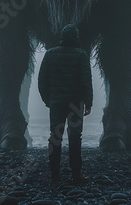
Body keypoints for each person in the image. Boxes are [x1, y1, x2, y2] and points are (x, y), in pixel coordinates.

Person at [38, 24, 93, 183]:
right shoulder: (81, 55)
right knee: (75, 138)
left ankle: (54, 175)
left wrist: (47, 99)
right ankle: (76, 175)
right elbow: (86, 81)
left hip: (56, 102)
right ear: (76, 38)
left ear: (62, 37)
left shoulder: (50, 54)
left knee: (55, 137)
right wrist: (88, 103)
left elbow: (42, 80)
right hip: (75, 103)